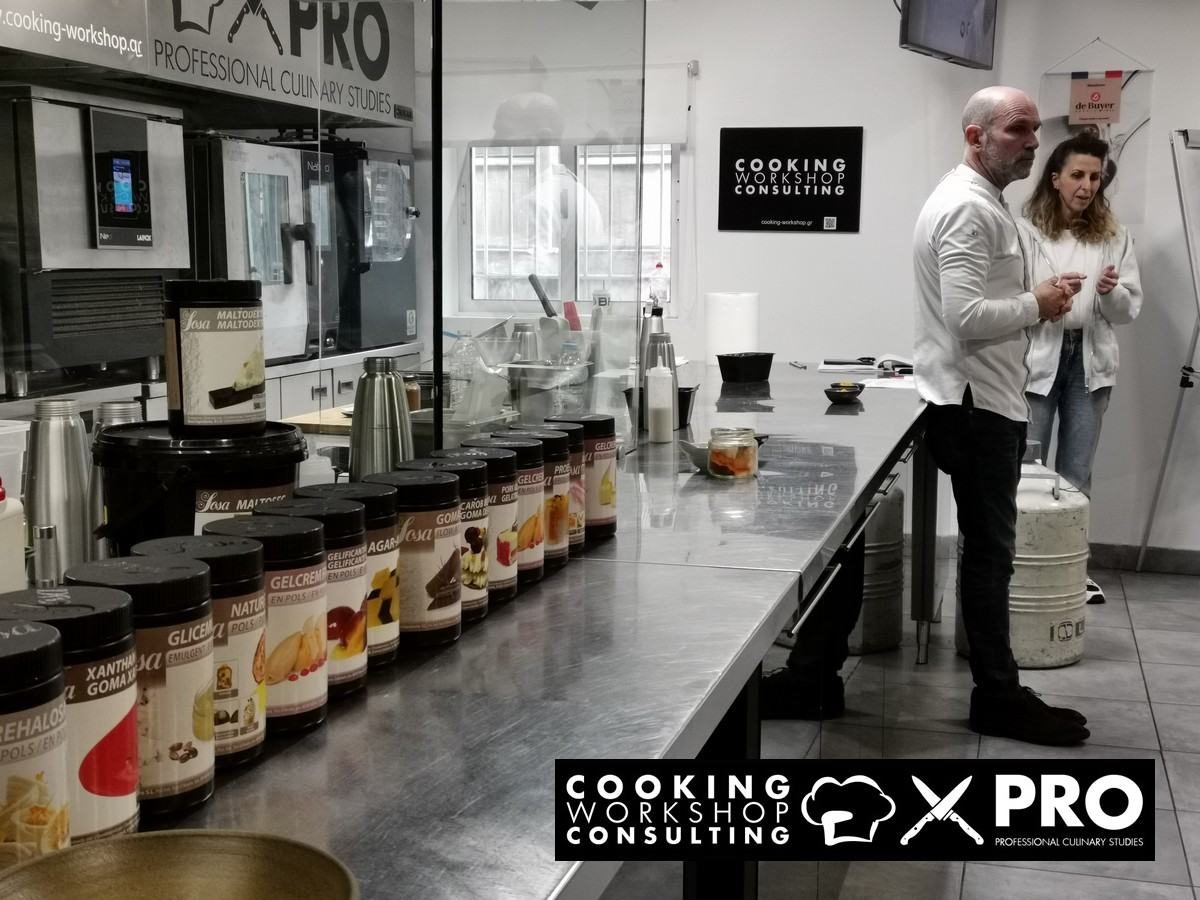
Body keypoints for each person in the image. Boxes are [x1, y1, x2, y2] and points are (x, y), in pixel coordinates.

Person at [912, 86, 1090, 745]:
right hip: (978, 406)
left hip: (981, 400)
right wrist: (1036, 304)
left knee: (990, 553)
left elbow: (977, 305)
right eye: (1018, 128)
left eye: (1035, 129)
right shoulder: (968, 207)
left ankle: (1000, 689)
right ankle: (997, 695)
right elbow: (964, 317)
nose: (1034, 142)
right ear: (976, 136)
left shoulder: (980, 200)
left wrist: (1035, 300)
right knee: (991, 556)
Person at [1018, 134, 1143, 604]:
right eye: (1077, 175)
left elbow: (1128, 310)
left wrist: (1110, 292)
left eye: (1095, 177)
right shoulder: (1026, 232)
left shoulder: (1113, 235)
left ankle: (1071, 571)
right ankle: (1021, 566)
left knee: (1076, 472)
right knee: (1025, 468)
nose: (1087, 186)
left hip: (1089, 362)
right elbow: (1012, 299)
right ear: (1055, 178)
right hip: (1038, 359)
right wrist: (1046, 295)